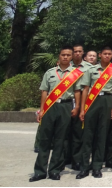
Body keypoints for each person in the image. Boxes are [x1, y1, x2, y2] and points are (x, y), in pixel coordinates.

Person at [30, 46, 82, 182]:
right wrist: (42, 110)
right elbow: (44, 91)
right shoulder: (50, 72)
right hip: (50, 106)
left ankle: (54, 170)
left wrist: (76, 107)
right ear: (59, 56)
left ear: (72, 57)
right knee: (45, 139)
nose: (65, 57)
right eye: (63, 54)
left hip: (66, 106)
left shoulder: (75, 73)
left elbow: (77, 91)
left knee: (61, 139)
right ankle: (40, 171)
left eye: (68, 55)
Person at [76, 46, 112, 180]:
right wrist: (83, 109)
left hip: (107, 101)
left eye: (109, 54)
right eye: (104, 54)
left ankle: (97, 166)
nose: (107, 56)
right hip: (92, 101)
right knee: (88, 135)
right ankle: (84, 167)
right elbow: (85, 89)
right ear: (100, 55)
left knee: (102, 134)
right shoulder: (91, 69)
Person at [66, 44, 92, 171]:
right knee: (65, 131)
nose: (77, 53)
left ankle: (77, 160)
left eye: (79, 51)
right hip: (68, 101)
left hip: (84, 100)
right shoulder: (66, 67)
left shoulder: (89, 68)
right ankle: (64, 158)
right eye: (75, 51)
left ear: (83, 53)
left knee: (78, 132)